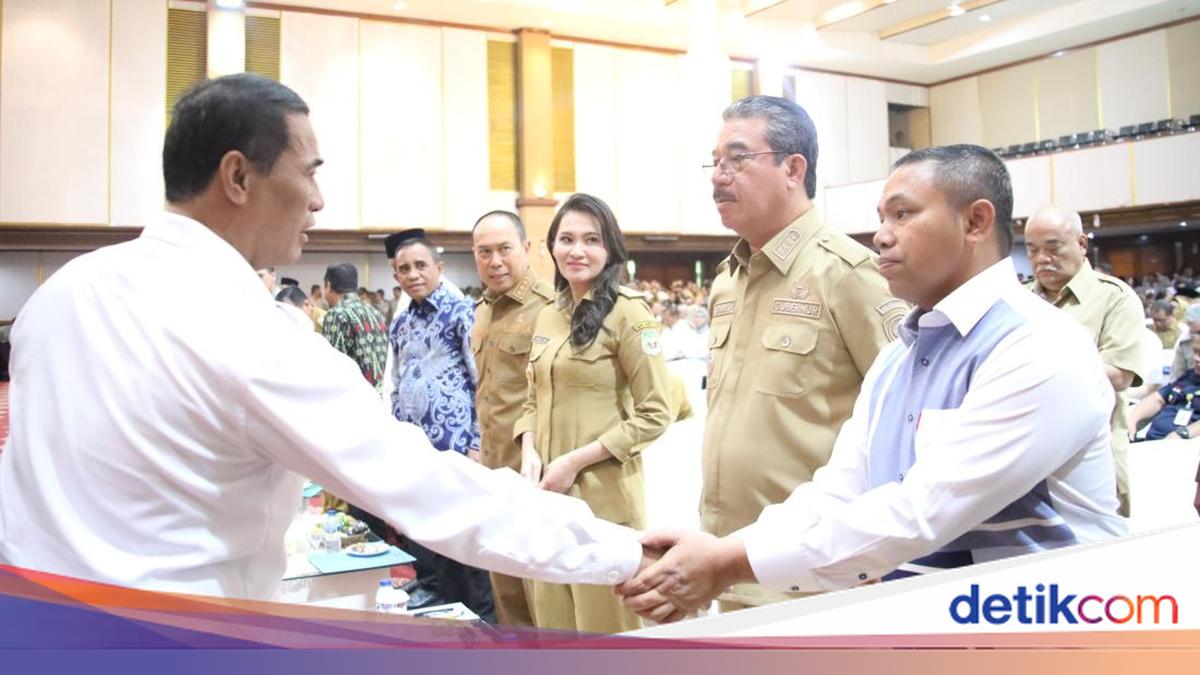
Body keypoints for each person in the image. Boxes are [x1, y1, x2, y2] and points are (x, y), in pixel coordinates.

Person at [0, 73, 647, 600]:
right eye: (308, 171)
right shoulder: (248, 329)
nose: (318, 199)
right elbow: (425, 488)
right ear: (237, 177)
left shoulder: (60, 294)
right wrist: (630, 553)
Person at [617, 144, 1126, 623]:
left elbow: (919, 514)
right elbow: (838, 491)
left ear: (974, 221)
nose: (881, 235)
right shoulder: (898, 358)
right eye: (882, 218)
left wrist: (726, 563)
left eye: (903, 214)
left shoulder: (1038, 346)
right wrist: (722, 550)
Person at [700, 95, 906, 611]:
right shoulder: (727, 282)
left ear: (794, 169)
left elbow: (906, 422)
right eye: (715, 161)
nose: (718, 176)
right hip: (728, 560)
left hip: (813, 571)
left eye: (737, 159)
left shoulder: (849, 275)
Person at [514, 193, 675, 632]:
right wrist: (529, 449)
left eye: (591, 239)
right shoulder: (549, 314)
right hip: (546, 498)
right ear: (551, 246)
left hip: (603, 502)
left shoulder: (629, 314)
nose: (577, 250)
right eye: (566, 239)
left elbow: (656, 412)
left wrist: (574, 462)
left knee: (605, 633)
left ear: (610, 249)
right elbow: (532, 397)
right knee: (554, 628)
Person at [386, 227, 494, 621]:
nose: (413, 274)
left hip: (459, 448)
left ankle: (487, 628)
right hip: (418, 452)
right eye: (404, 269)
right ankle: (451, 625)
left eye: (421, 266)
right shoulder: (401, 323)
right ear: (396, 275)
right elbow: (397, 383)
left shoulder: (461, 312)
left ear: (439, 267)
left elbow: (481, 380)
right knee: (434, 541)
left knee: (469, 547)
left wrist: (477, 441)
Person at [1024, 203, 1148, 516]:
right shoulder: (1017, 300)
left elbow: (1119, 375)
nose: (1041, 258)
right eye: (1032, 249)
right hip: (1026, 460)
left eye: (1053, 248)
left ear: (1081, 244)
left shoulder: (1114, 298)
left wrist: (1029, 368)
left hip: (1090, 461)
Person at [470, 210, 556, 627]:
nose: (495, 261)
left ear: (526, 247)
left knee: (541, 593)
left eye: (504, 249)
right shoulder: (482, 309)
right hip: (491, 472)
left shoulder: (551, 307)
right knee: (504, 586)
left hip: (532, 474)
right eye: (484, 252)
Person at [322, 262, 389, 394]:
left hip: (351, 398)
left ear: (328, 286)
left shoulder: (337, 314)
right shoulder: (375, 313)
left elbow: (332, 366)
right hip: (377, 397)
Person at [1126, 339, 1200, 441]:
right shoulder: (1188, 377)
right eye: (1195, 352)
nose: (1196, 358)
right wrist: (1132, 418)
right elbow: (1158, 398)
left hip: (1184, 442)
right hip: (1153, 440)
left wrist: (1183, 433)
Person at [1169, 304, 1200, 380]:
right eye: (1193, 333)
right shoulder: (1184, 341)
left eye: (1199, 333)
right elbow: (1177, 375)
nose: (1197, 337)